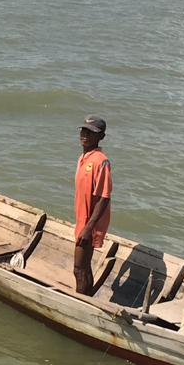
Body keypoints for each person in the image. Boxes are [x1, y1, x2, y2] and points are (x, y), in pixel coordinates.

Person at [73, 115, 112, 294]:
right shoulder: (84, 158)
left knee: (79, 268)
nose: (85, 135)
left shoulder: (100, 161)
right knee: (84, 268)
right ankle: (87, 298)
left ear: (101, 137)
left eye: (91, 133)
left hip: (90, 223)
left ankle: (80, 304)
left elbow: (104, 197)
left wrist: (89, 228)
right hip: (83, 220)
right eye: (84, 130)